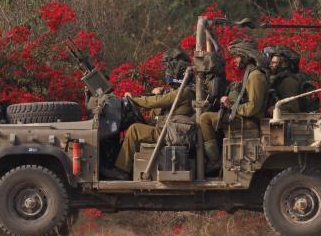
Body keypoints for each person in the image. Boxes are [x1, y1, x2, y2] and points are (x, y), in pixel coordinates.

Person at [104, 48, 195, 180]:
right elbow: (158, 100)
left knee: (135, 130)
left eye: (170, 71)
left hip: (171, 134)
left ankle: (121, 171)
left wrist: (133, 99)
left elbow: (157, 101)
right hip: (169, 130)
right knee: (138, 126)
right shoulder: (181, 90)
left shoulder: (184, 92)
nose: (168, 74)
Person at [197, 39, 268, 170]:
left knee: (204, 119)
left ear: (245, 57)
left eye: (237, 57)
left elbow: (253, 107)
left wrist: (230, 106)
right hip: (246, 117)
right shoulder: (250, 73)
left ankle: (215, 160)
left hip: (250, 120)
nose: (235, 60)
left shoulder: (255, 76)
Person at [265, 45, 302, 113]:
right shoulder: (280, 79)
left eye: (274, 63)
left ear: (284, 64)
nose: (270, 65)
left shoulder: (288, 81)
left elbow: (293, 108)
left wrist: (275, 109)